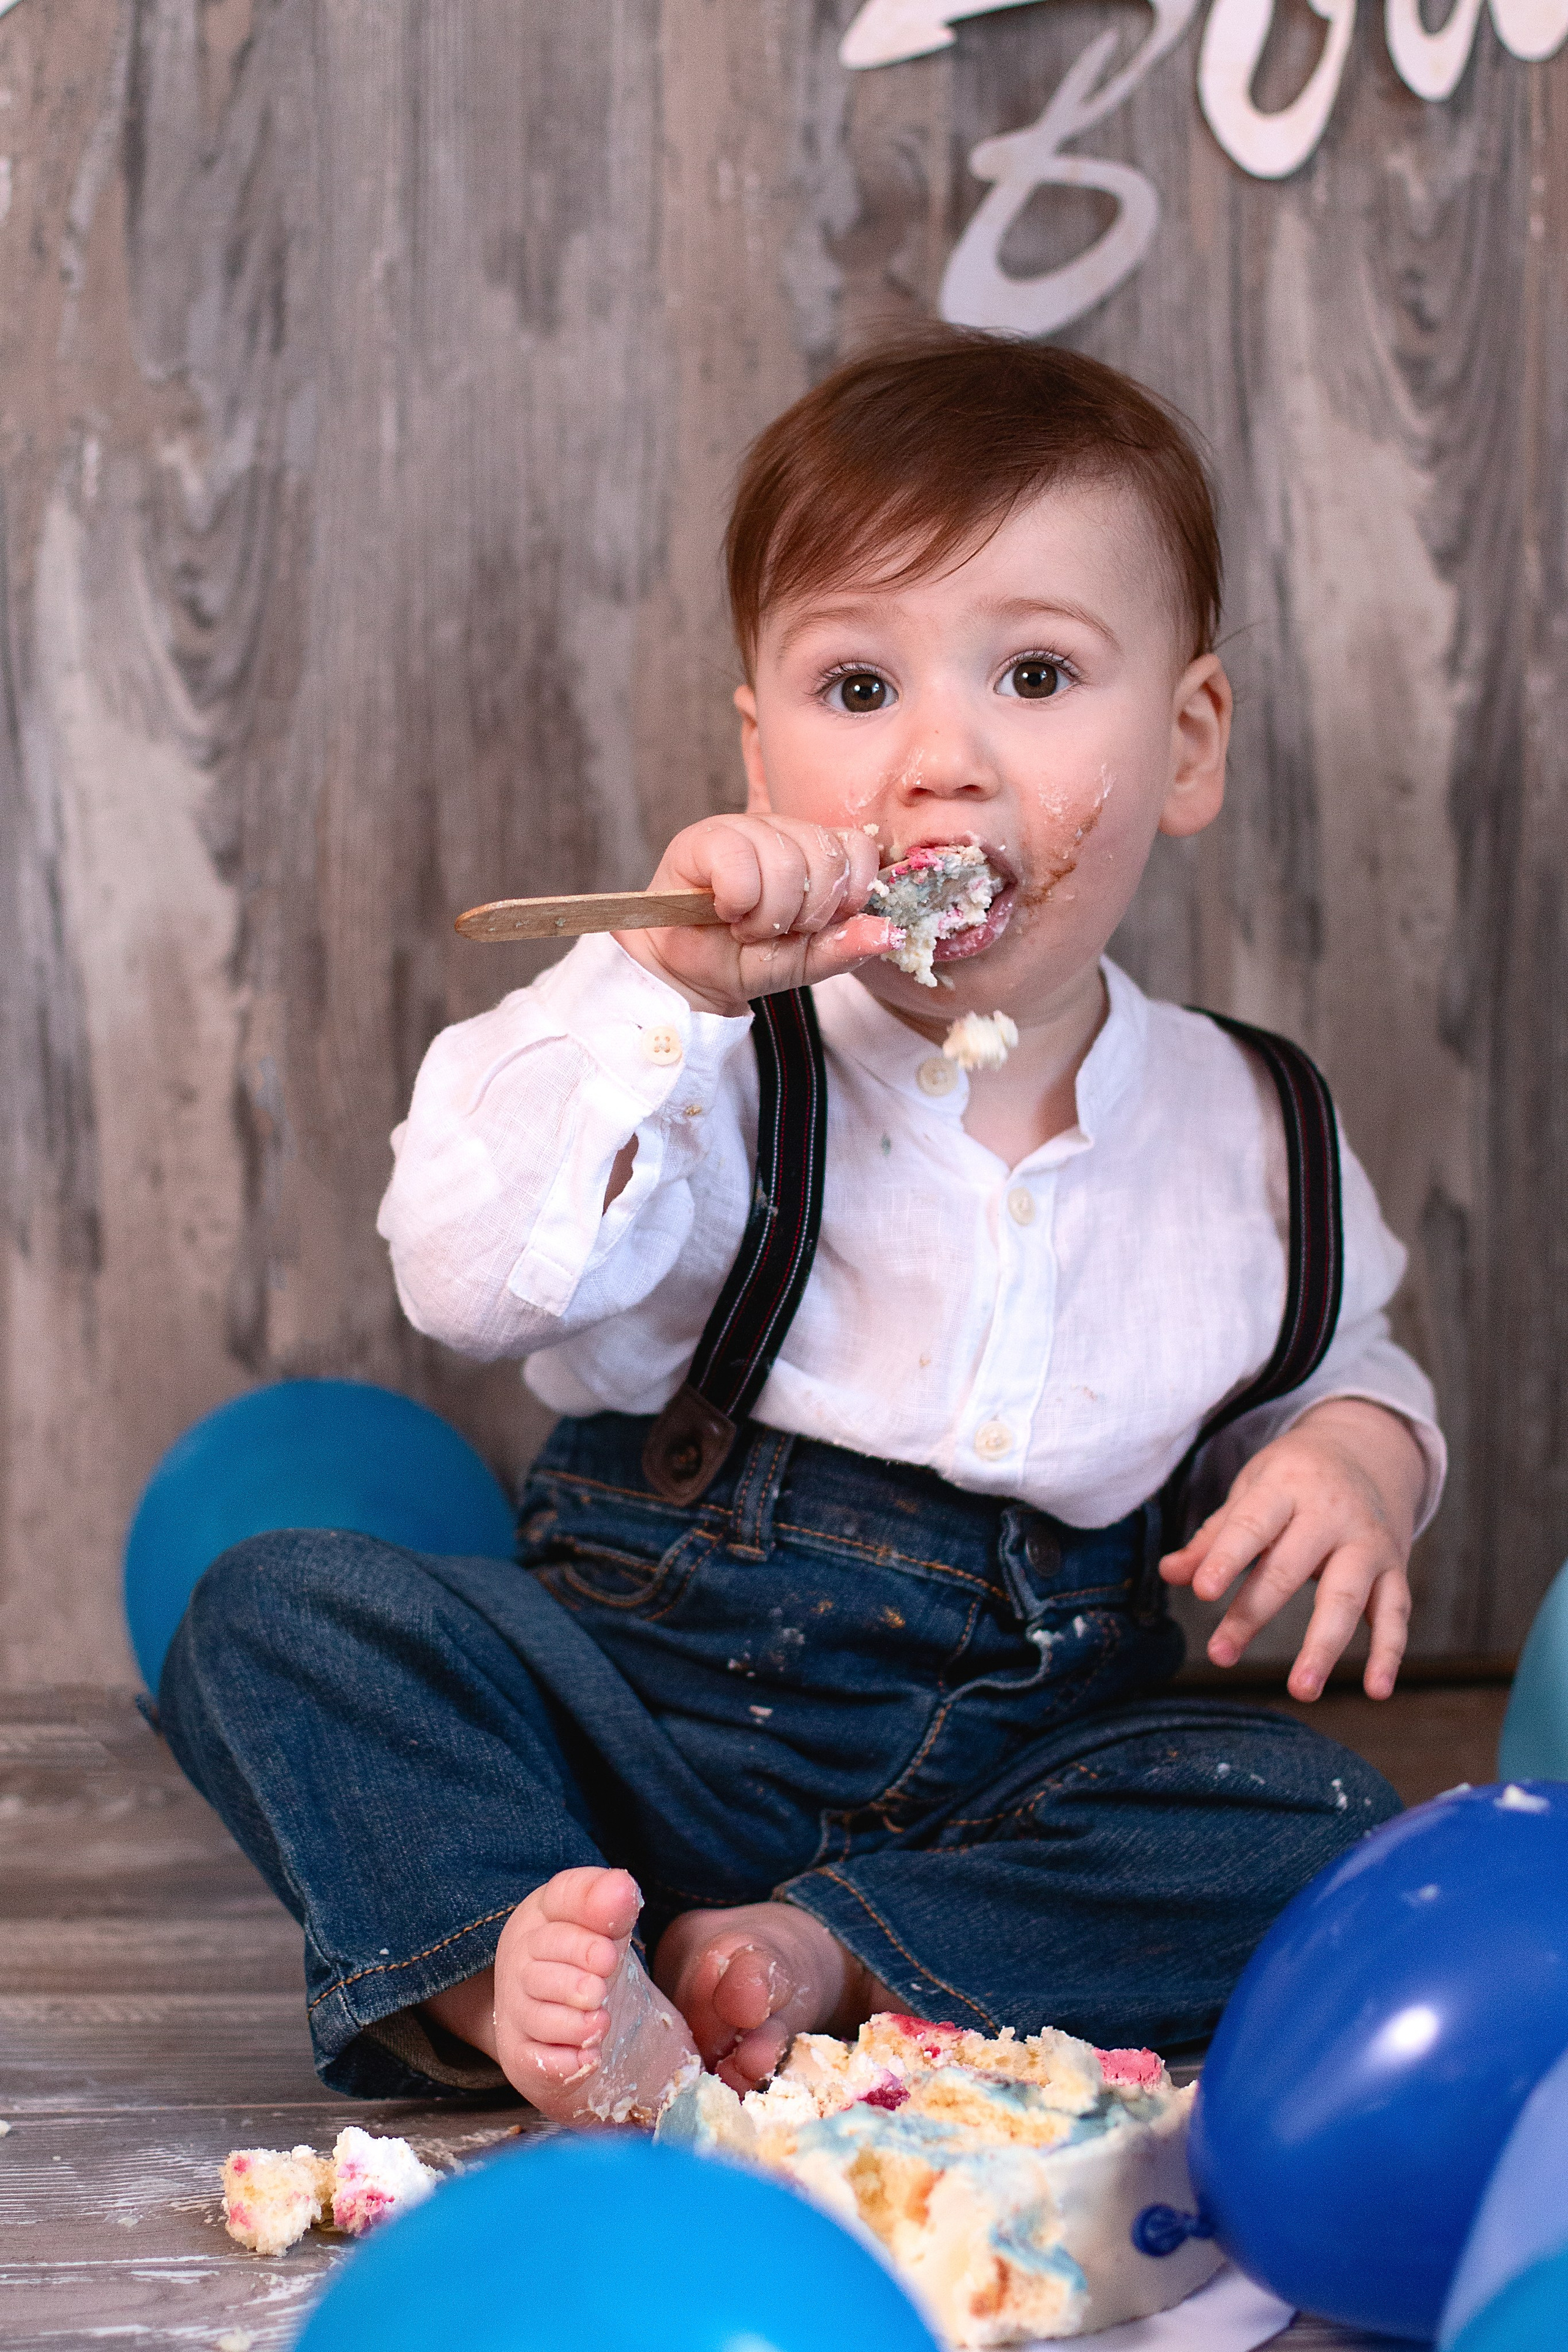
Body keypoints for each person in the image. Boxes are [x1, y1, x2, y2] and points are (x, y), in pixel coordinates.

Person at [160, 330, 1444, 2128]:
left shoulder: (1259, 1130)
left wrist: (1360, 1457)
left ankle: (830, 1952)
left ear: (1188, 744)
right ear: (760, 754)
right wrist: (651, 987)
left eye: (1036, 673)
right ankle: (500, 1964)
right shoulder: (707, 1059)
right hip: (642, 1732)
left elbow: (1342, 1346)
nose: (939, 759)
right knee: (276, 1610)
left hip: (1023, 1775)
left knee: (1313, 1825)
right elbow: (463, 1272)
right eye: (859, 692)